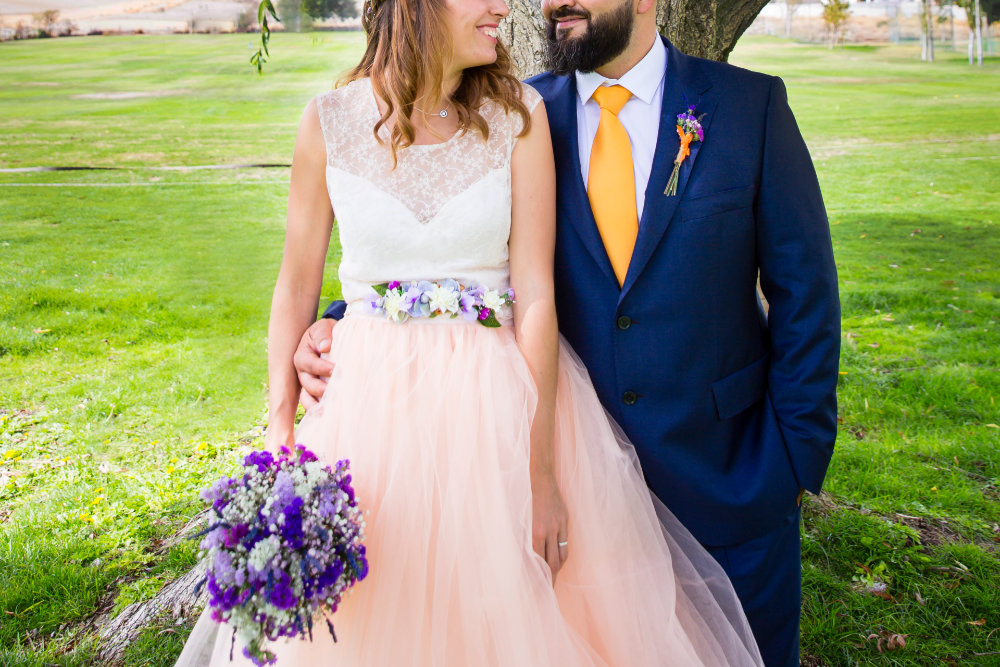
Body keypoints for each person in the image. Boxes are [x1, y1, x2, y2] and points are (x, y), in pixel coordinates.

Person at [174, 0, 765, 664]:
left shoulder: (517, 119)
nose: (502, 8)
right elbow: (295, 282)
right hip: (369, 415)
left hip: (498, 413)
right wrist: (279, 430)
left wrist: (543, 471)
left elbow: (536, 296)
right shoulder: (328, 123)